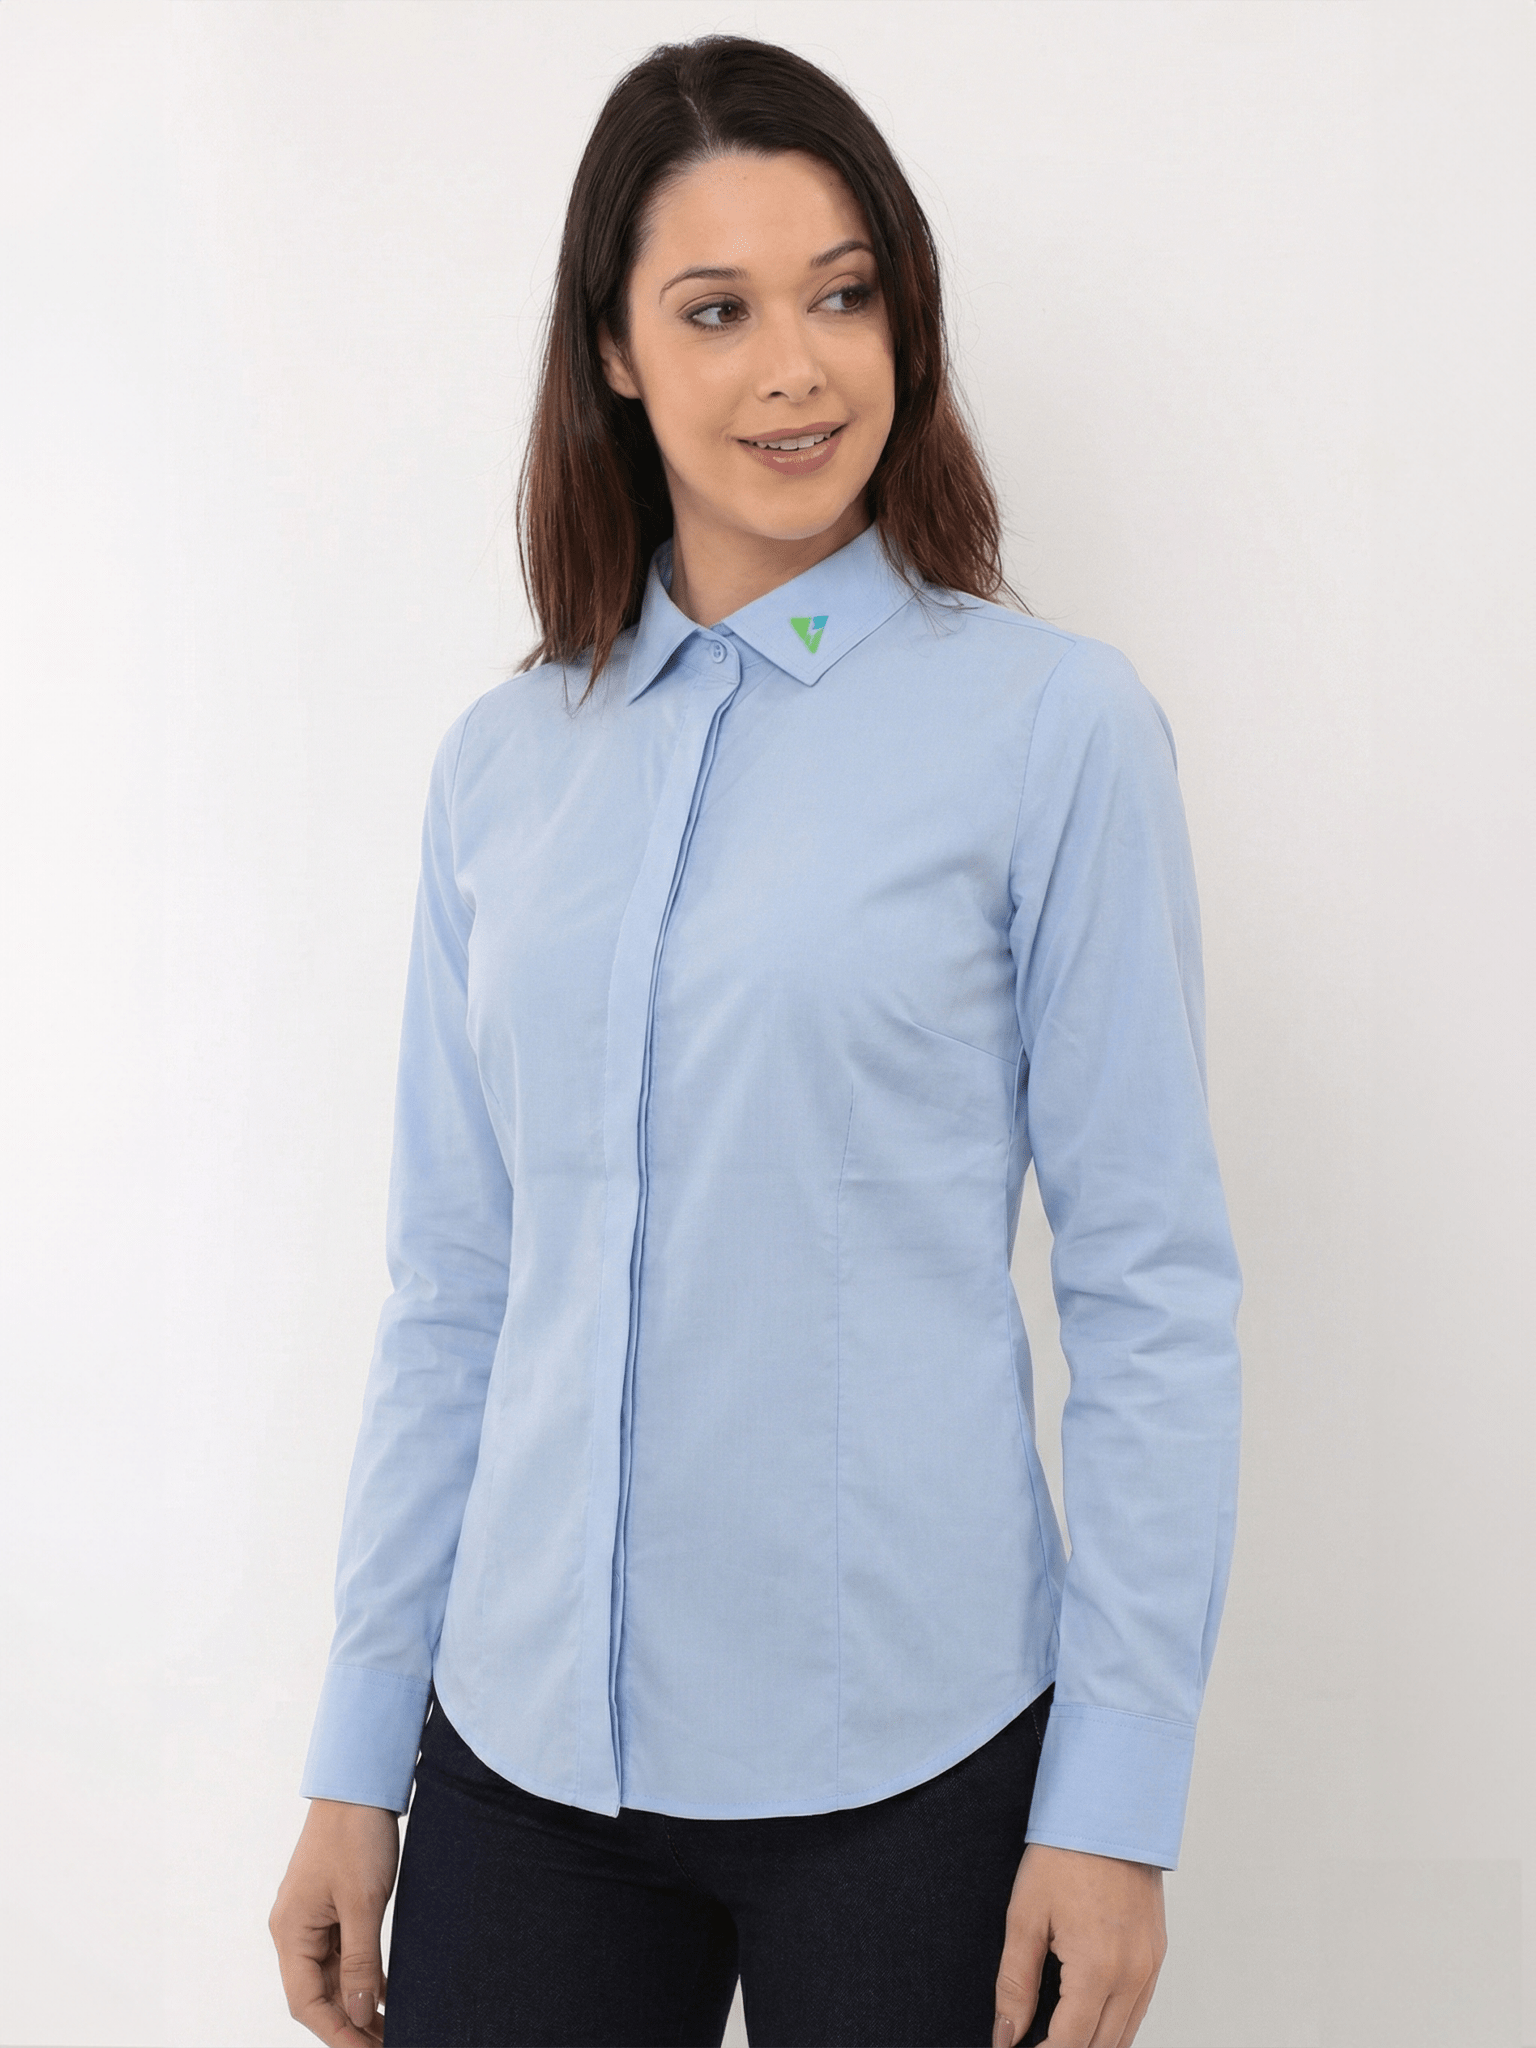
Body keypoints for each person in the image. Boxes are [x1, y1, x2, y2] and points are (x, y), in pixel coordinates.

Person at [268, 33, 1242, 2048]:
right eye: (717, 310)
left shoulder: (1051, 729)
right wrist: (359, 1756)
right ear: (614, 353)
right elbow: (454, 1289)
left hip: (914, 1761)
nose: (798, 369)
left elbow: (1151, 1290)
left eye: (844, 294)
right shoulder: (502, 765)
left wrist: (1116, 1800)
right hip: (525, 1754)